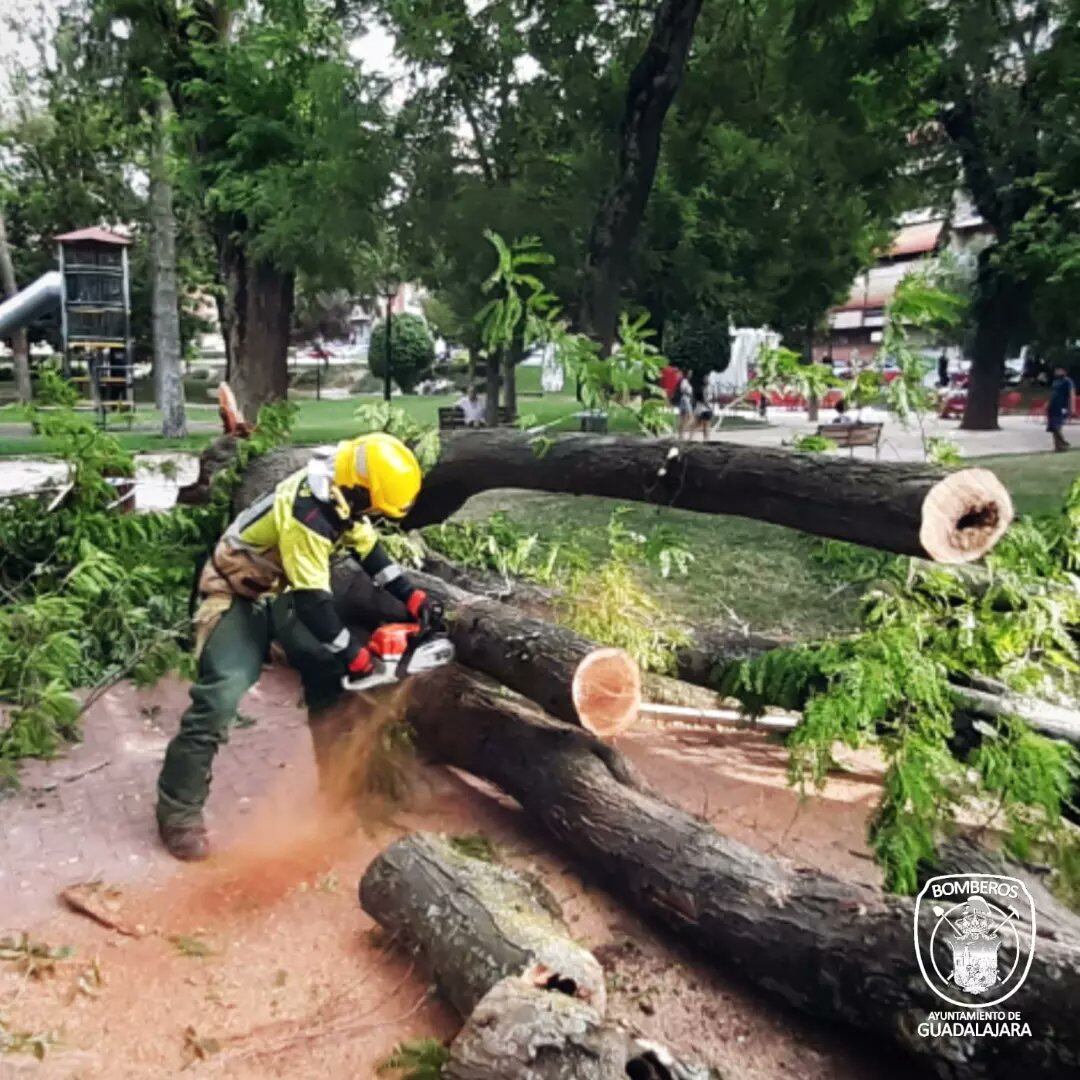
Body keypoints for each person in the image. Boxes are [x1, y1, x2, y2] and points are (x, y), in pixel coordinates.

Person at [155, 433, 440, 861]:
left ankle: (338, 791)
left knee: (328, 673)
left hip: (281, 592)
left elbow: (370, 553)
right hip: (235, 592)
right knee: (222, 693)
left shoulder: (343, 500)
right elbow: (314, 603)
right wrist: (357, 656)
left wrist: (413, 597)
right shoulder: (309, 512)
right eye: (374, 506)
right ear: (360, 487)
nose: (372, 515)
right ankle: (177, 813)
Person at [1047, 366, 1076, 452]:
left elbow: (1071, 394)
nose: (1056, 371)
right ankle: (1058, 447)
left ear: (1064, 371)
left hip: (1062, 406)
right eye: (1056, 370)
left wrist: (1072, 407)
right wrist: (1048, 403)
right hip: (1053, 406)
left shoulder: (1068, 381)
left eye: (1058, 370)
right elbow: (1053, 394)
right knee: (1052, 427)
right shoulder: (1055, 382)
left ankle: (1064, 443)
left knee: (1057, 426)